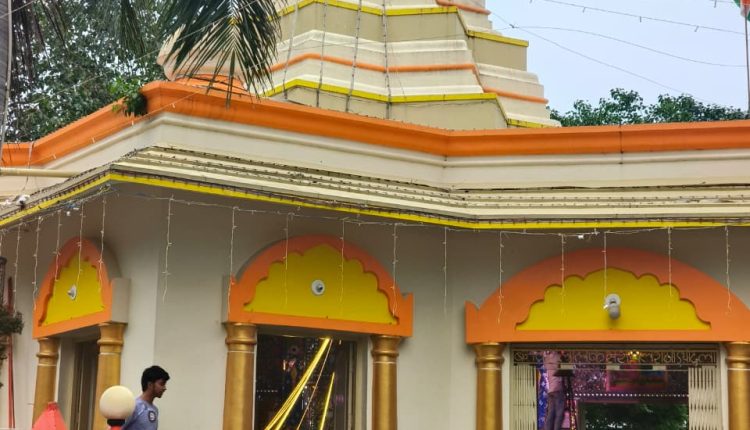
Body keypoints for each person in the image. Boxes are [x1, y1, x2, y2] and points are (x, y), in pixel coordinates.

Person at [122, 365, 170, 430]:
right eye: (162, 384)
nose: (164, 388)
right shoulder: (134, 406)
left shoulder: (155, 409)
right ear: (150, 384)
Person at [543, 351, 564, 430]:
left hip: (550, 390)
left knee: (550, 413)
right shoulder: (558, 357)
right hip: (557, 388)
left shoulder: (547, 359)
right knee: (559, 413)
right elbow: (563, 368)